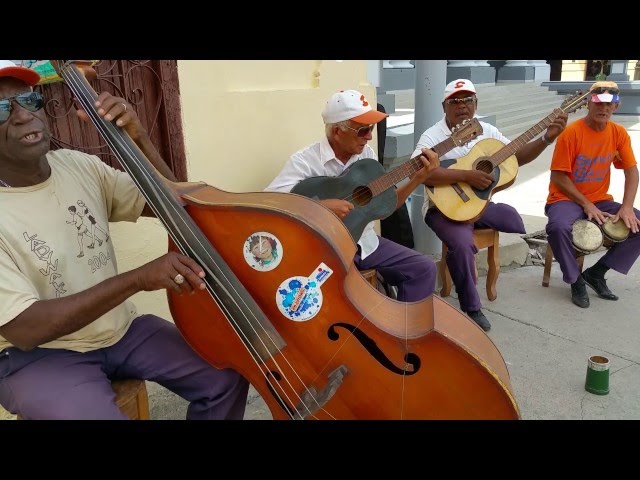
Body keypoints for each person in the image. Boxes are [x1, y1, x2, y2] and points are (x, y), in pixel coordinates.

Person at [0, 60, 249, 419]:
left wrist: (139, 138)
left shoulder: (77, 166)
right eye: (3, 109)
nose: (23, 116)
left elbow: (175, 204)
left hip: (121, 330)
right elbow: (26, 329)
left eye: (29, 101)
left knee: (226, 374)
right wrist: (137, 279)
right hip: (39, 354)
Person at [411, 79, 568, 331]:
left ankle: (467, 226)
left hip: (477, 204)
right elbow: (420, 172)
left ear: (476, 104)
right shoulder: (432, 135)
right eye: (455, 101)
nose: (462, 106)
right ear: (444, 106)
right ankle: (471, 307)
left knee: (513, 219)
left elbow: (516, 156)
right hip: (440, 208)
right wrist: (464, 175)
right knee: (462, 244)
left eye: (468, 100)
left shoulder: (487, 131)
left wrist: (546, 139)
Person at [265, 89, 439, 302]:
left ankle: (403, 332)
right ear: (338, 131)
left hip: (366, 244)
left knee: (424, 269)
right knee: (319, 297)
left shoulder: (366, 155)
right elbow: (269, 205)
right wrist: (322, 207)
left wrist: (417, 179)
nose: (369, 137)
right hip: (325, 249)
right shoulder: (304, 162)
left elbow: (387, 206)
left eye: (372, 128)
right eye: (362, 130)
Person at [545, 80, 640, 308]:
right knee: (557, 228)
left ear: (616, 106)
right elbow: (558, 177)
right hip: (564, 199)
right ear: (589, 103)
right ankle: (575, 280)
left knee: (638, 223)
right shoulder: (571, 133)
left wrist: (627, 206)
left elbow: (632, 172)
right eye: (598, 103)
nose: (603, 109)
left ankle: (596, 273)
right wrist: (587, 204)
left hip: (599, 200)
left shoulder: (618, 134)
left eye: (609, 104)